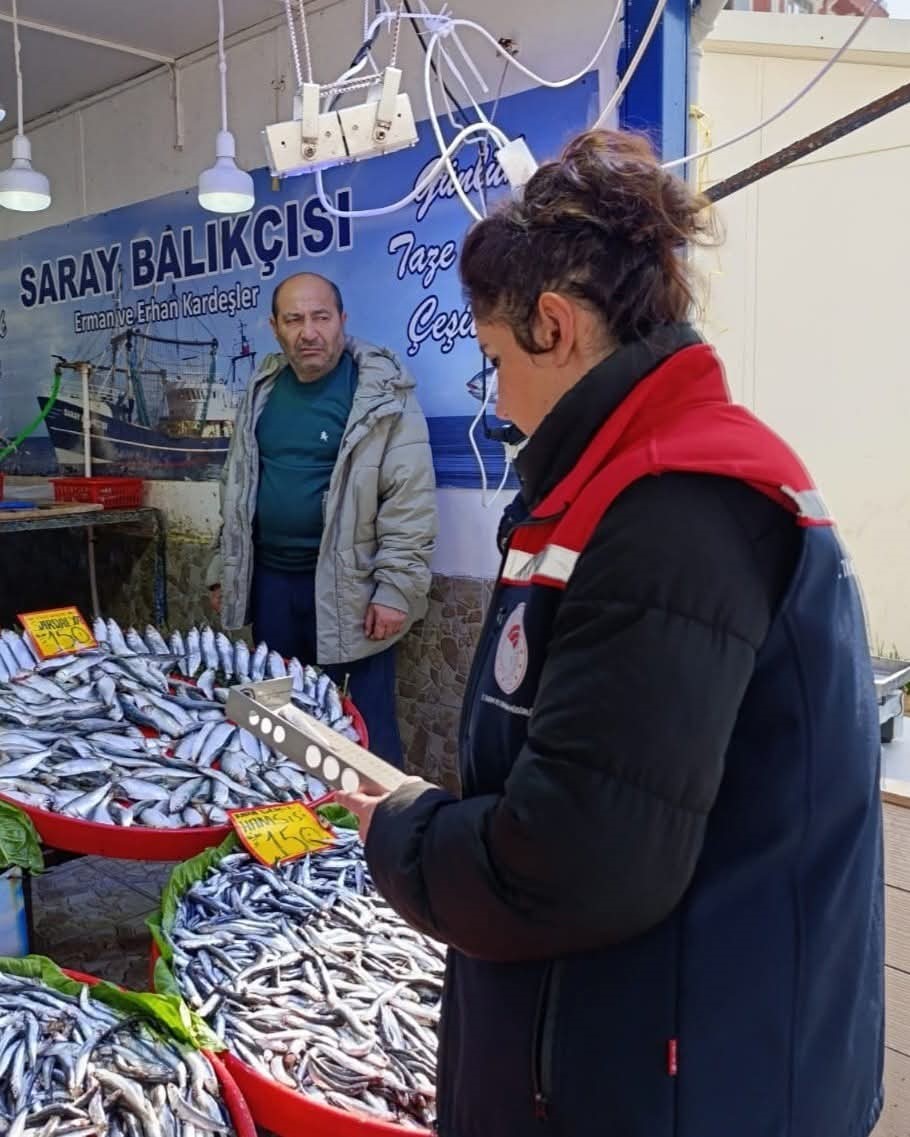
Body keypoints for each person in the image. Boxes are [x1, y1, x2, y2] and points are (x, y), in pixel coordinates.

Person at [337, 130, 884, 1136]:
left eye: (494, 360)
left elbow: (574, 862)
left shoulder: (676, 509)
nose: (498, 400)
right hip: (637, 1049)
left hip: (690, 1079)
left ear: (554, 325)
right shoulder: (622, 483)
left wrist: (404, 833)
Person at [207, 272, 437, 766]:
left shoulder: (381, 392)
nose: (308, 332)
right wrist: (222, 568)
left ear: (342, 320)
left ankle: (377, 817)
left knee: (362, 732)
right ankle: (294, 812)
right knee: (279, 727)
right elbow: (237, 486)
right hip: (271, 586)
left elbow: (410, 499)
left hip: (351, 591)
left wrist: (395, 589)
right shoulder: (263, 389)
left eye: (320, 317)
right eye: (294, 319)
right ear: (275, 327)